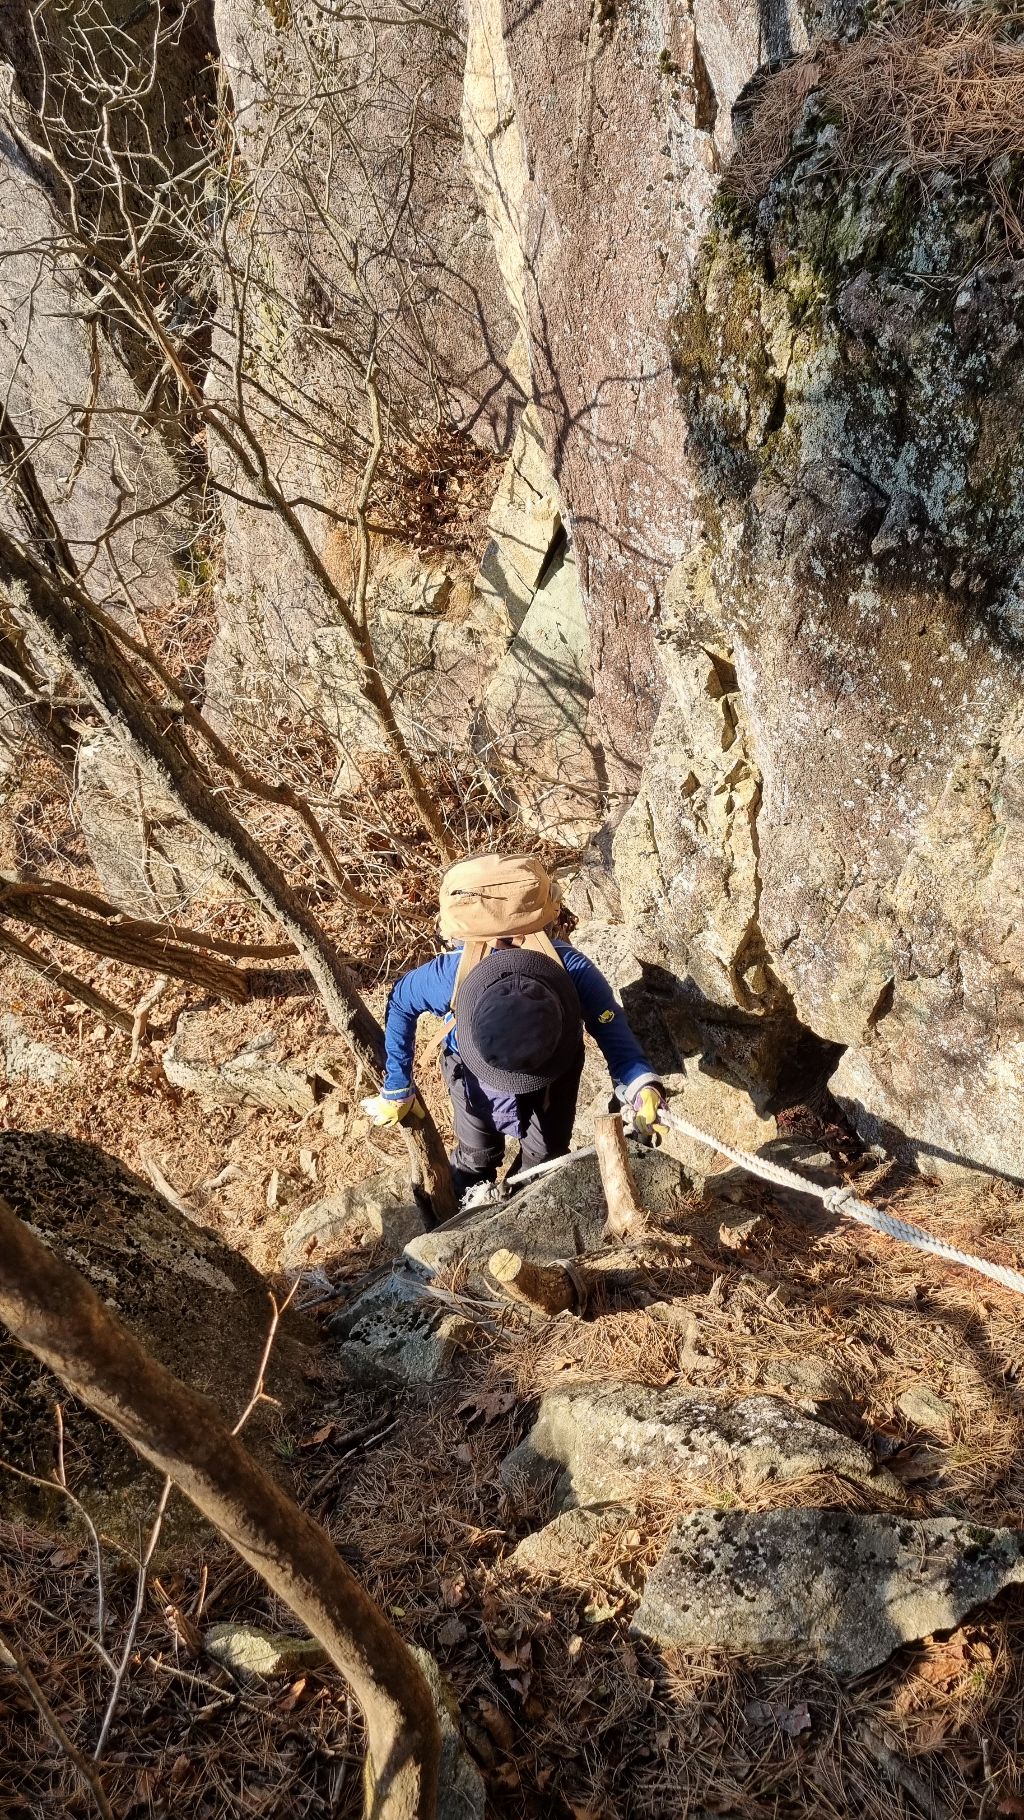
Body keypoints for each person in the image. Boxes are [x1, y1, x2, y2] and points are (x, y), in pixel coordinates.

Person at [362, 854, 667, 1201]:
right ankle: (466, 1211)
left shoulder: (570, 970)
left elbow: (611, 1029)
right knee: (477, 1157)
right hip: (473, 1068)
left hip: (552, 1068)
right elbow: (401, 1001)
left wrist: (643, 1088)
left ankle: (520, 1209)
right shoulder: (452, 975)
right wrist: (398, 1085)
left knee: (545, 1158)